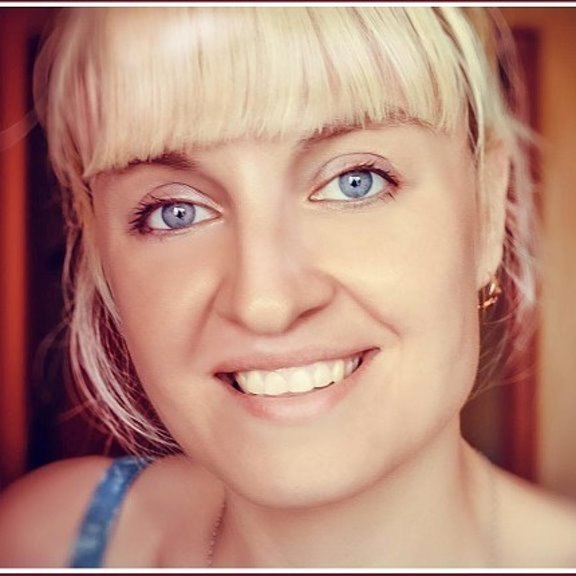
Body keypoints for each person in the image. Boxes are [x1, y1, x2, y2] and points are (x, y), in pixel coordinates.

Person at [0, 6, 575, 568]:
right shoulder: (43, 541)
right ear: (99, 249)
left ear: (486, 210)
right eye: (175, 212)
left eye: (355, 182)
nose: (264, 303)